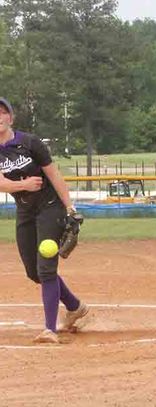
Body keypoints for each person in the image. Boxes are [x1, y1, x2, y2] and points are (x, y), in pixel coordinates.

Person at [0, 98, 88, 344]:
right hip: (25, 210)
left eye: (3, 112)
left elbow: (54, 175)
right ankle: (75, 306)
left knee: (46, 268)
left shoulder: (30, 143)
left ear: (11, 118)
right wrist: (23, 185)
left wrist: (70, 207)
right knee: (33, 271)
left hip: (50, 207)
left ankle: (49, 329)